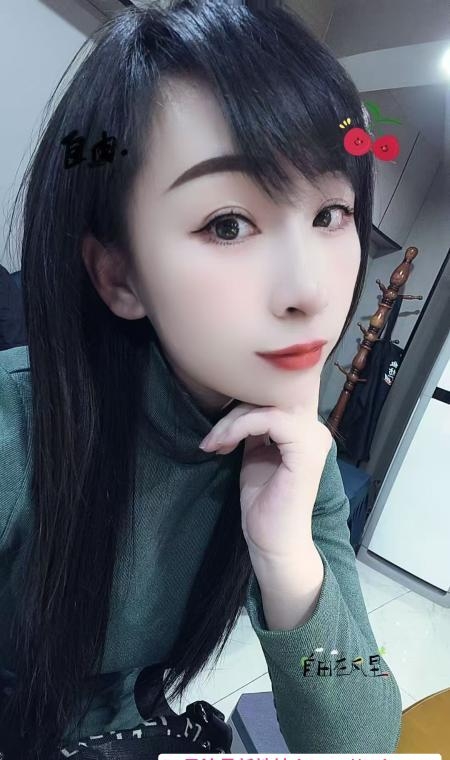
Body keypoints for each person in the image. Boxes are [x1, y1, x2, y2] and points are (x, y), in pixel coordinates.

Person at [0, 1, 403, 757]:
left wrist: (288, 557)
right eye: (228, 224)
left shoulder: (293, 456)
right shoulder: (18, 430)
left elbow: (363, 733)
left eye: (330, 214)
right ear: (119, 276)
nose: (310, 290)